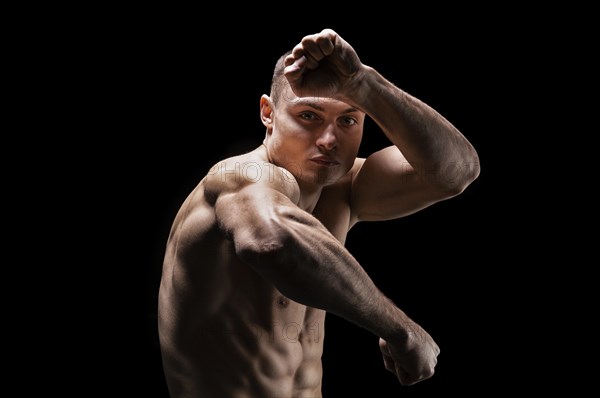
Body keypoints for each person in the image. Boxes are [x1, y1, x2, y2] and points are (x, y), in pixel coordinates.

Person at [158, 28, 480, 397]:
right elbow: (272, 241)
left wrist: (364, 84)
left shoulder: (346, 189)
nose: (329, 140)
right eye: (309, 115)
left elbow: (457, 172)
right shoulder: (237, 177)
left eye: (347, 120)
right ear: (268, 112)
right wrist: (399, 328)